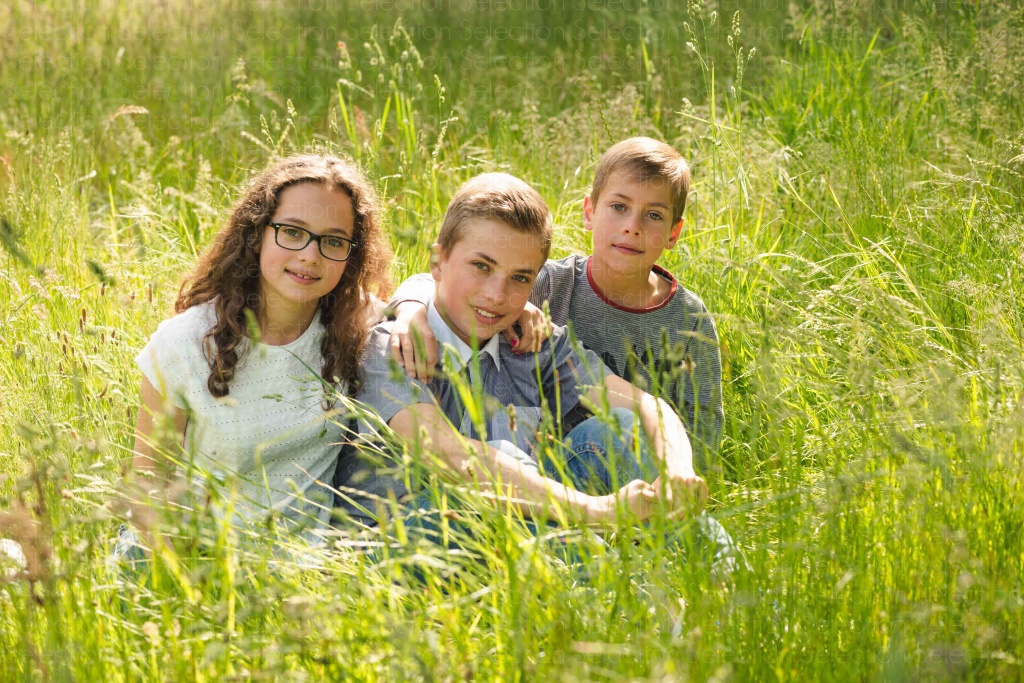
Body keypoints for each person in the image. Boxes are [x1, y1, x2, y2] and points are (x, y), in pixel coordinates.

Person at [339, 172, 740, 574]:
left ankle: (717, 579)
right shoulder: (394, 344)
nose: (496, 295)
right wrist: (599, 511)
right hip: (407, 536)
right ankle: (622, 578)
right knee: (504, 497)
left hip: (521, 513)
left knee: (619, 428)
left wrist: (676, 471)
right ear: (437, 263)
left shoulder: (533, 341)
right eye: (481, 266)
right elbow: (452, 457)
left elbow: (647, 407)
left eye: (520, 278)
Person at [388, 137, 724, 474]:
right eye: (619, 207)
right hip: (543, 464)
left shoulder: (689, 320)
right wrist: (411, 307)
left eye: (653, 215)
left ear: (674, 232)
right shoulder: (544, 284)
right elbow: (454, 284)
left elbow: (701, 428)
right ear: (589, 211)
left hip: (648, 464)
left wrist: (679, 474)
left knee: (624, 426)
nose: (631, 227)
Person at [120, 154, 391, 562]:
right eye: (292, 232)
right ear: (257, 233)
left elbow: (433, 293)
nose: (310, 256)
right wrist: (185, 579)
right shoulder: (184, 344)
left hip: (300, 569)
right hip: (190, 555)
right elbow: (147, 485)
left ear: (351, 255)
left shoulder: (357, 326)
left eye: (333, 241)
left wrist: (414, 309)